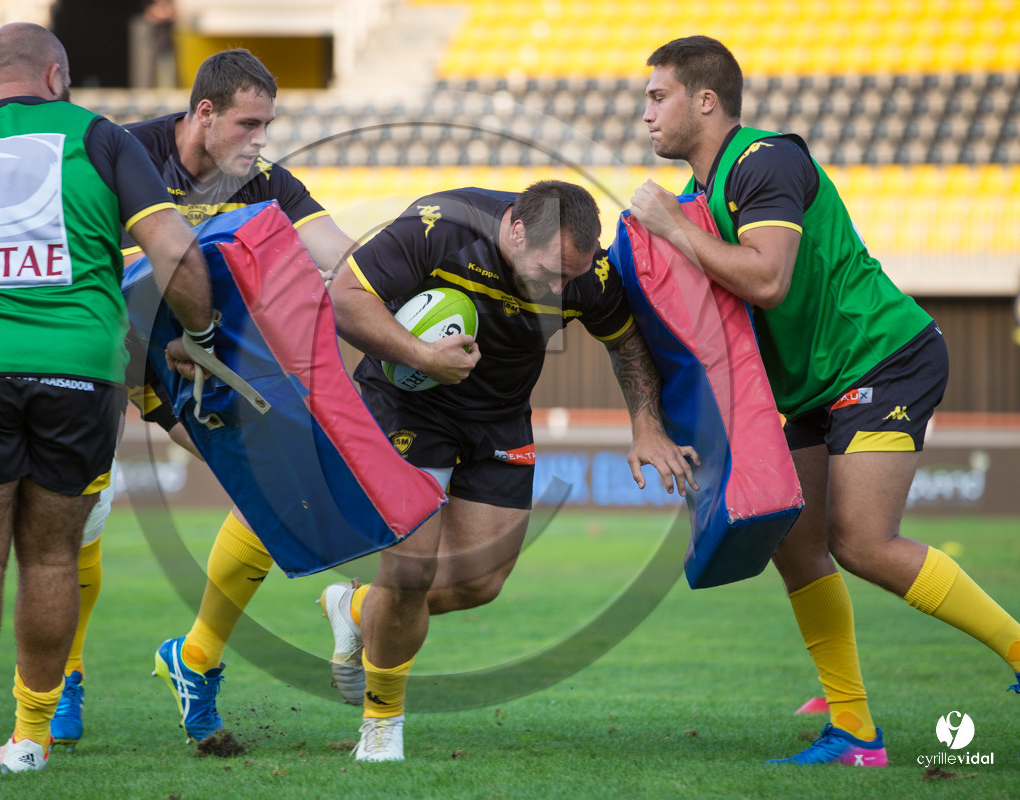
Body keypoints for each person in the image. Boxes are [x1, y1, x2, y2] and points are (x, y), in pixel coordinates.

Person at [629, 35, 1020, 767]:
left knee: (863, 541)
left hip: (883, 356)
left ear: (704, 101)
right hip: (814, 387)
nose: (644, 112)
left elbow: (768, 280)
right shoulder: (696, 199)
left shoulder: (765, 160)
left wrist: (672, 229)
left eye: (658, 96)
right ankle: (856, 736)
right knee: (797, 544)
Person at [0, 22, 215, 781]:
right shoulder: (102, 138)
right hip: (78, 370)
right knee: (49, 554)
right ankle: (33, 736)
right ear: (56, 77)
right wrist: (201, 329)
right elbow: (172, 249)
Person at [320, 180, 699, 761]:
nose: (558, 289)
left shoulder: (587, 274)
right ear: (516, 230)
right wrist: (425, 357)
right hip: (408, 404)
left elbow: (625, 343)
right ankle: (382, 725)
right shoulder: (440, 226)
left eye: (569, 277)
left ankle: (354, 607)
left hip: (498, 420)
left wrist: (646, 425)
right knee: (412, 571)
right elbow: (346, 297)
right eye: (549, 273)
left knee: (478, 582)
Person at [47, 48, 359, 749]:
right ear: (205, 114)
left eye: (269, 125)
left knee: (271, 489)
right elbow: (115, 278)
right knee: (77, 525)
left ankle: (194, 660)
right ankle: (64, 673)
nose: (261, 140)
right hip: (97, 354)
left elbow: (338, 250)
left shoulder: (263, 180)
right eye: (249, 124)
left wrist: (405, 273)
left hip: (192, 360)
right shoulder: (125, 157)